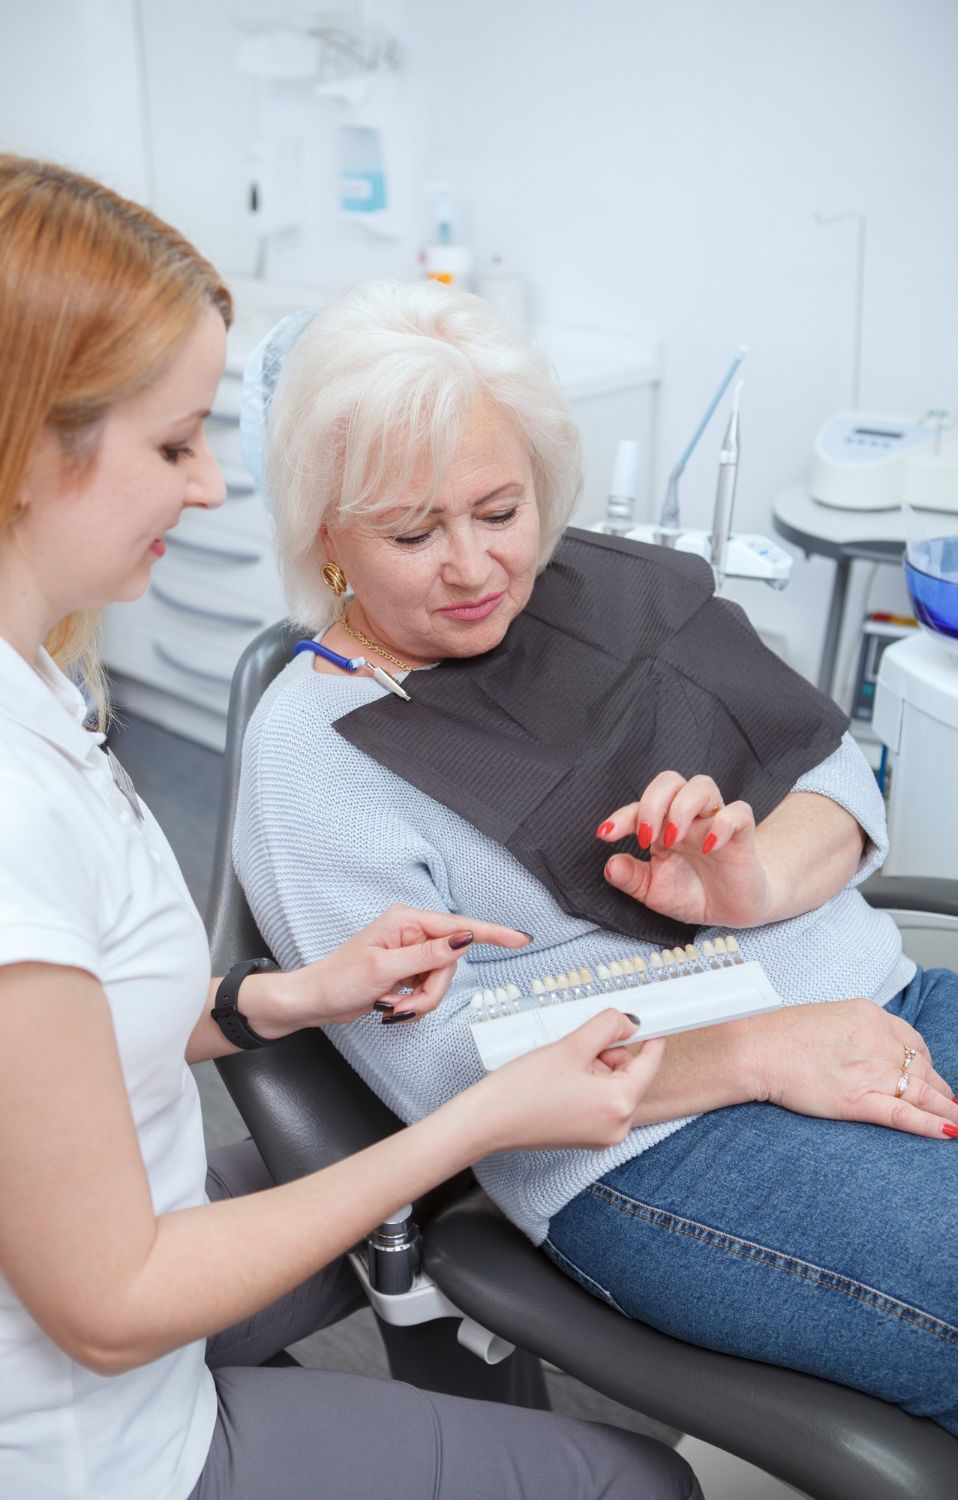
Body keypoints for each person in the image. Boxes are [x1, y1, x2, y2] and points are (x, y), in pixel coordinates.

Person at [0, 157, 706, 1500]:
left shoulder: (37, 680)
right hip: (83, 1441)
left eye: (501, 515)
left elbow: (73, 1024)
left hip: (89, 1250)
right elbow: (108, 1302)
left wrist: (298, 992)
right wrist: (475, 1120)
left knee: (358, 1189)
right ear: (29, 440)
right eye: (173, 442)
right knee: (639, 1483)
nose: (210, 489)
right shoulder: (15, 805)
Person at [234, 276, 958, 1455]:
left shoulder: (613, 594)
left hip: (881, 999)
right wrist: (753, 1047)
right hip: (651, 1139)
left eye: (499, 509)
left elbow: (829, 774)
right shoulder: (313, 754)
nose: (473, 566)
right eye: (410, 532)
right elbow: (442, 1073)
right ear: (322, 532)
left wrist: (751, 886)